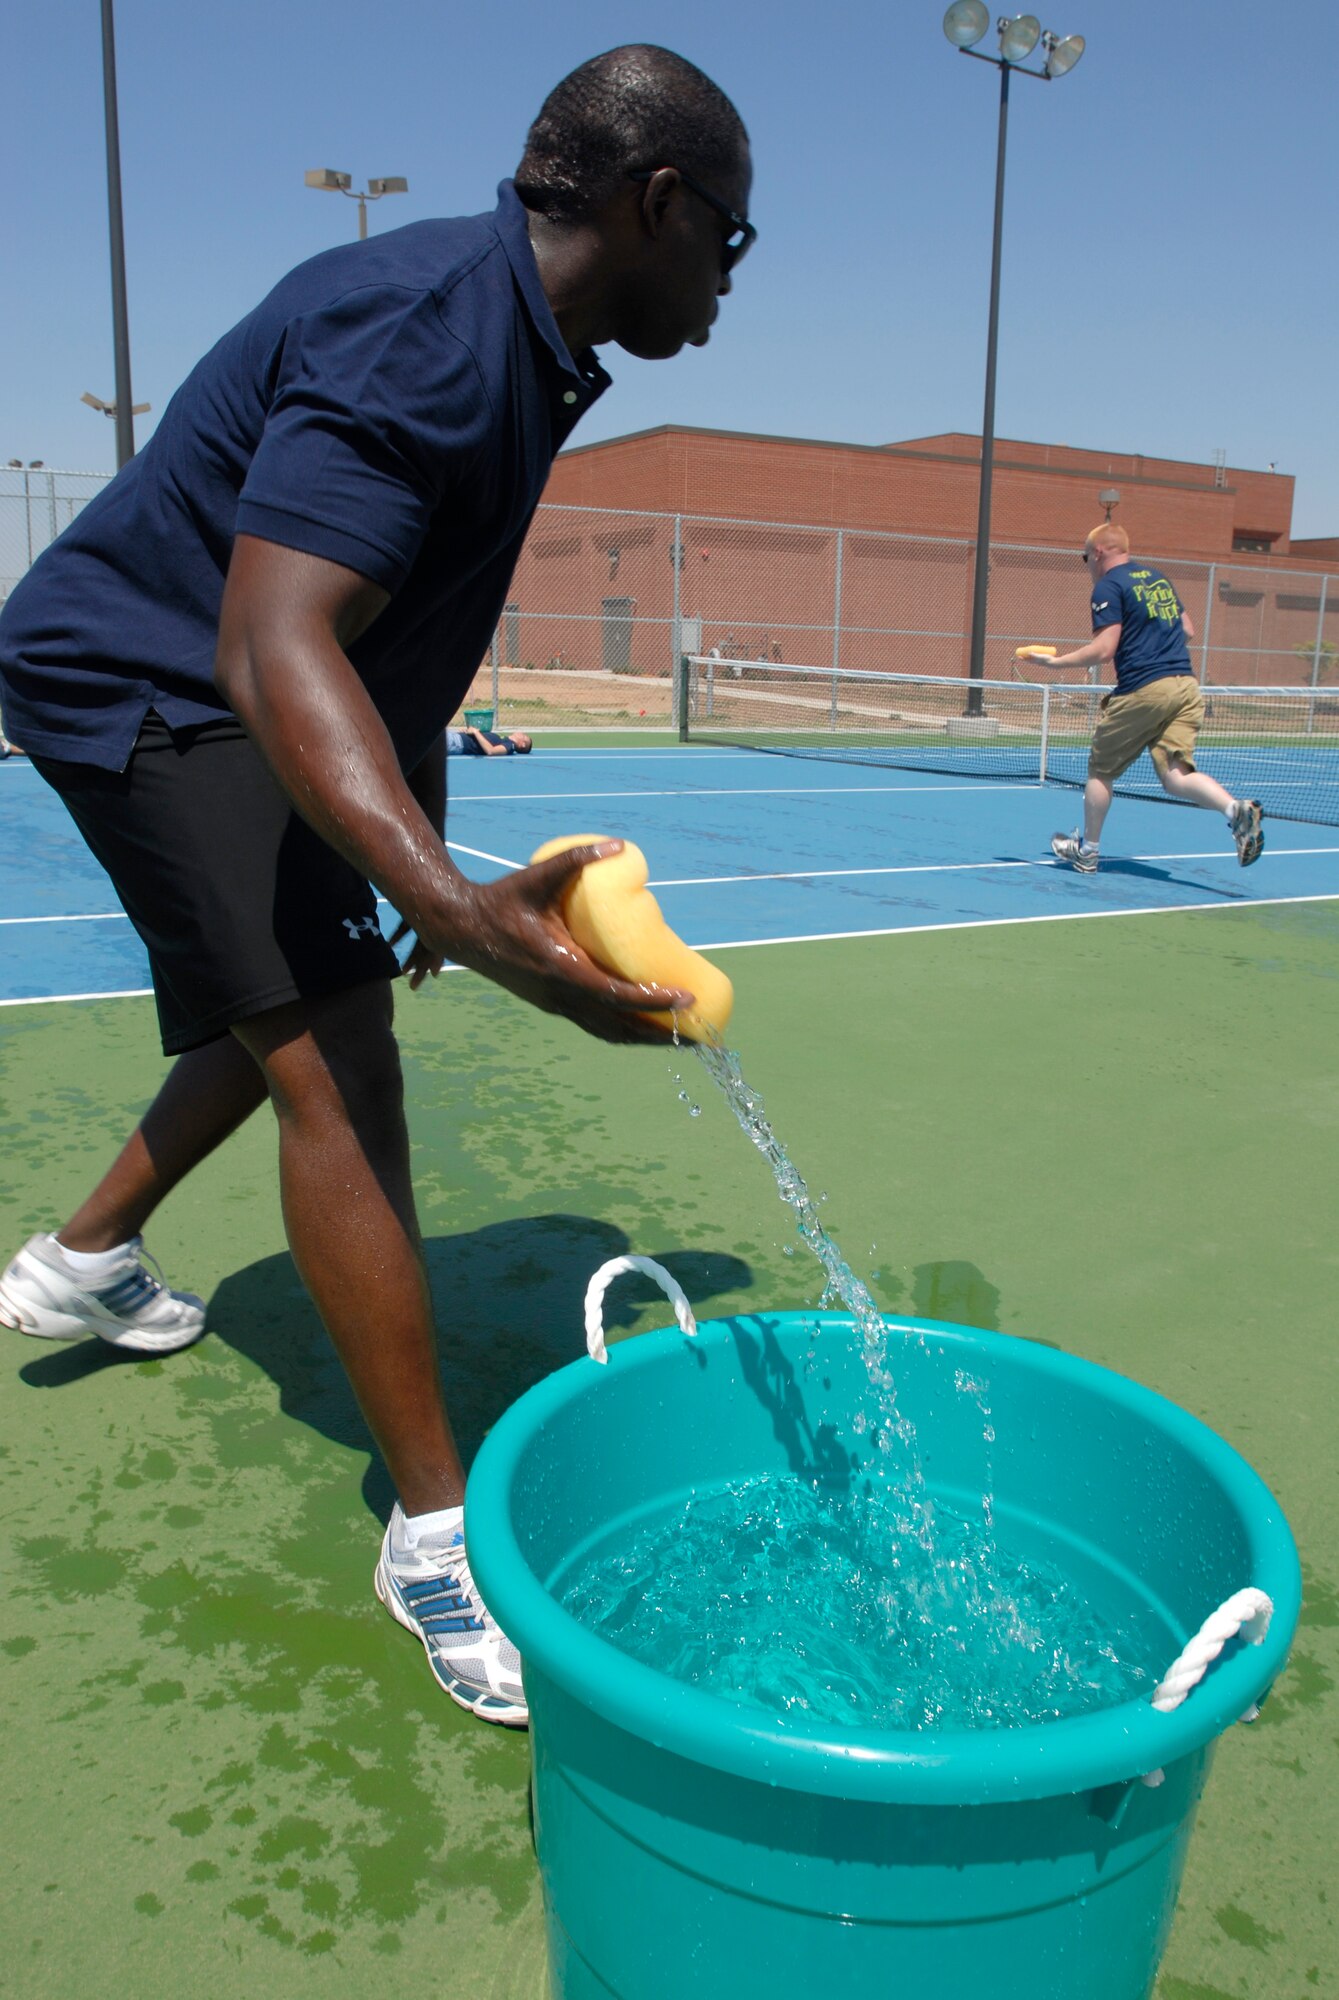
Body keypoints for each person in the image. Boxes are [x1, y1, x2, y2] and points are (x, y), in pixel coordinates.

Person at [0, 45, 753, 1727]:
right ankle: (427, 1533)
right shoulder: (428, 327)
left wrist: (407, 858)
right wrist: (454, 905)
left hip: (233, 679)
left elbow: (379, 639)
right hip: (146, 678)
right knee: (339, 1051)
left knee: (286, 989)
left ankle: (88, 1255)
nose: (725, 278)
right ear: (653, 205)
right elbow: (272, 636)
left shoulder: (522, 338)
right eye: (730, 238)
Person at [1035, 524, 1263, 873]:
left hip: (1145, 689)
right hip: (1185, 686)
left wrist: (1056, 663)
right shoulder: (1157, 578)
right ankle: (1235, 811)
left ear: (1098, 552)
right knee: (1176, 777)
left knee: (1100, 770)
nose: (1087, 565)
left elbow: (1105, 649)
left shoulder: (1108, 585)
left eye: (1085, 557)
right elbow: (1186, 629)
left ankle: (1088, 852)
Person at [445, 724, 533, 756]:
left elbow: (491, 751)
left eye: (524, 736)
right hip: (457, 737)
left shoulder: (510, 746)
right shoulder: (503, 739)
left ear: (522, 745)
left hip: (458, 743)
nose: (521, 733)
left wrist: (476, 732)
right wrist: (467, 732)